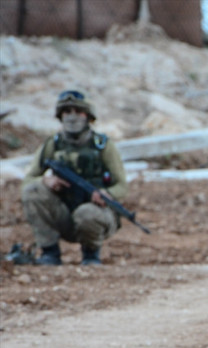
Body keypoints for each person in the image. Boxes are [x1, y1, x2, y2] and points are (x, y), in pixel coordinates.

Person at [21, 90, 128, 266]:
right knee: (32, 192)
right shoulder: (52, 144)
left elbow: (122, 186)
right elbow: (28, 180)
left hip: (95, 215)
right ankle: (50, 253)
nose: (72, 117)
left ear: (88, 115)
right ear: (60, 116)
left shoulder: (102, 145)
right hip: (64, 214)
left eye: (78, 112)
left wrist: (106, 194)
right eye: (67, 112)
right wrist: (46, 181)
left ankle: (91, 254)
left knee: (87, 214)